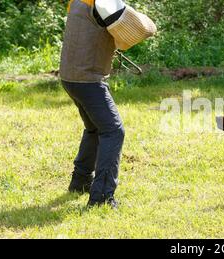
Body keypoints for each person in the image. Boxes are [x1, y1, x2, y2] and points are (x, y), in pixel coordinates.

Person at [59, 0, 156, 209]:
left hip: (69, 77)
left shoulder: (77, 1)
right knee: (114, 131)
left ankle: (81, 181)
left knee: (94, 128)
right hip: (88, 80)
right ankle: (102, 196)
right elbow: (141, 29)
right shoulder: (106, 1)